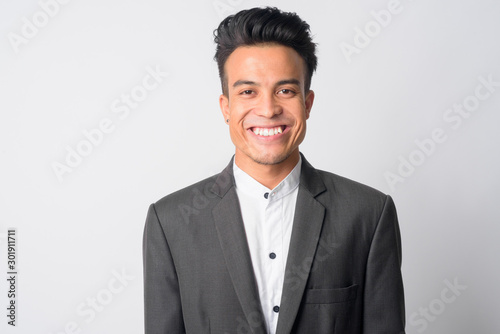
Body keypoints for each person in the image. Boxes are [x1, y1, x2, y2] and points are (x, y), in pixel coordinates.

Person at [143, 6, 405, 334]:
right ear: (226, 107)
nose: (268, 110)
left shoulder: (368, 214)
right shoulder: (169, 222)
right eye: (248, 91)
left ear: (307, 103)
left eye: (285, 90)